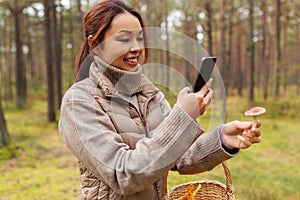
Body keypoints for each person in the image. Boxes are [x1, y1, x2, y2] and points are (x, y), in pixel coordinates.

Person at [58, 1, 262, 199]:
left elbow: (179, 156)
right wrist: (183, 117)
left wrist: (223, 140)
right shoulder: (79, 102)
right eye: (124, 39)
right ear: (95, 44)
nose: (136, 47)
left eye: (139, 38)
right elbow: (123, 174)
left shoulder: (149, 93)